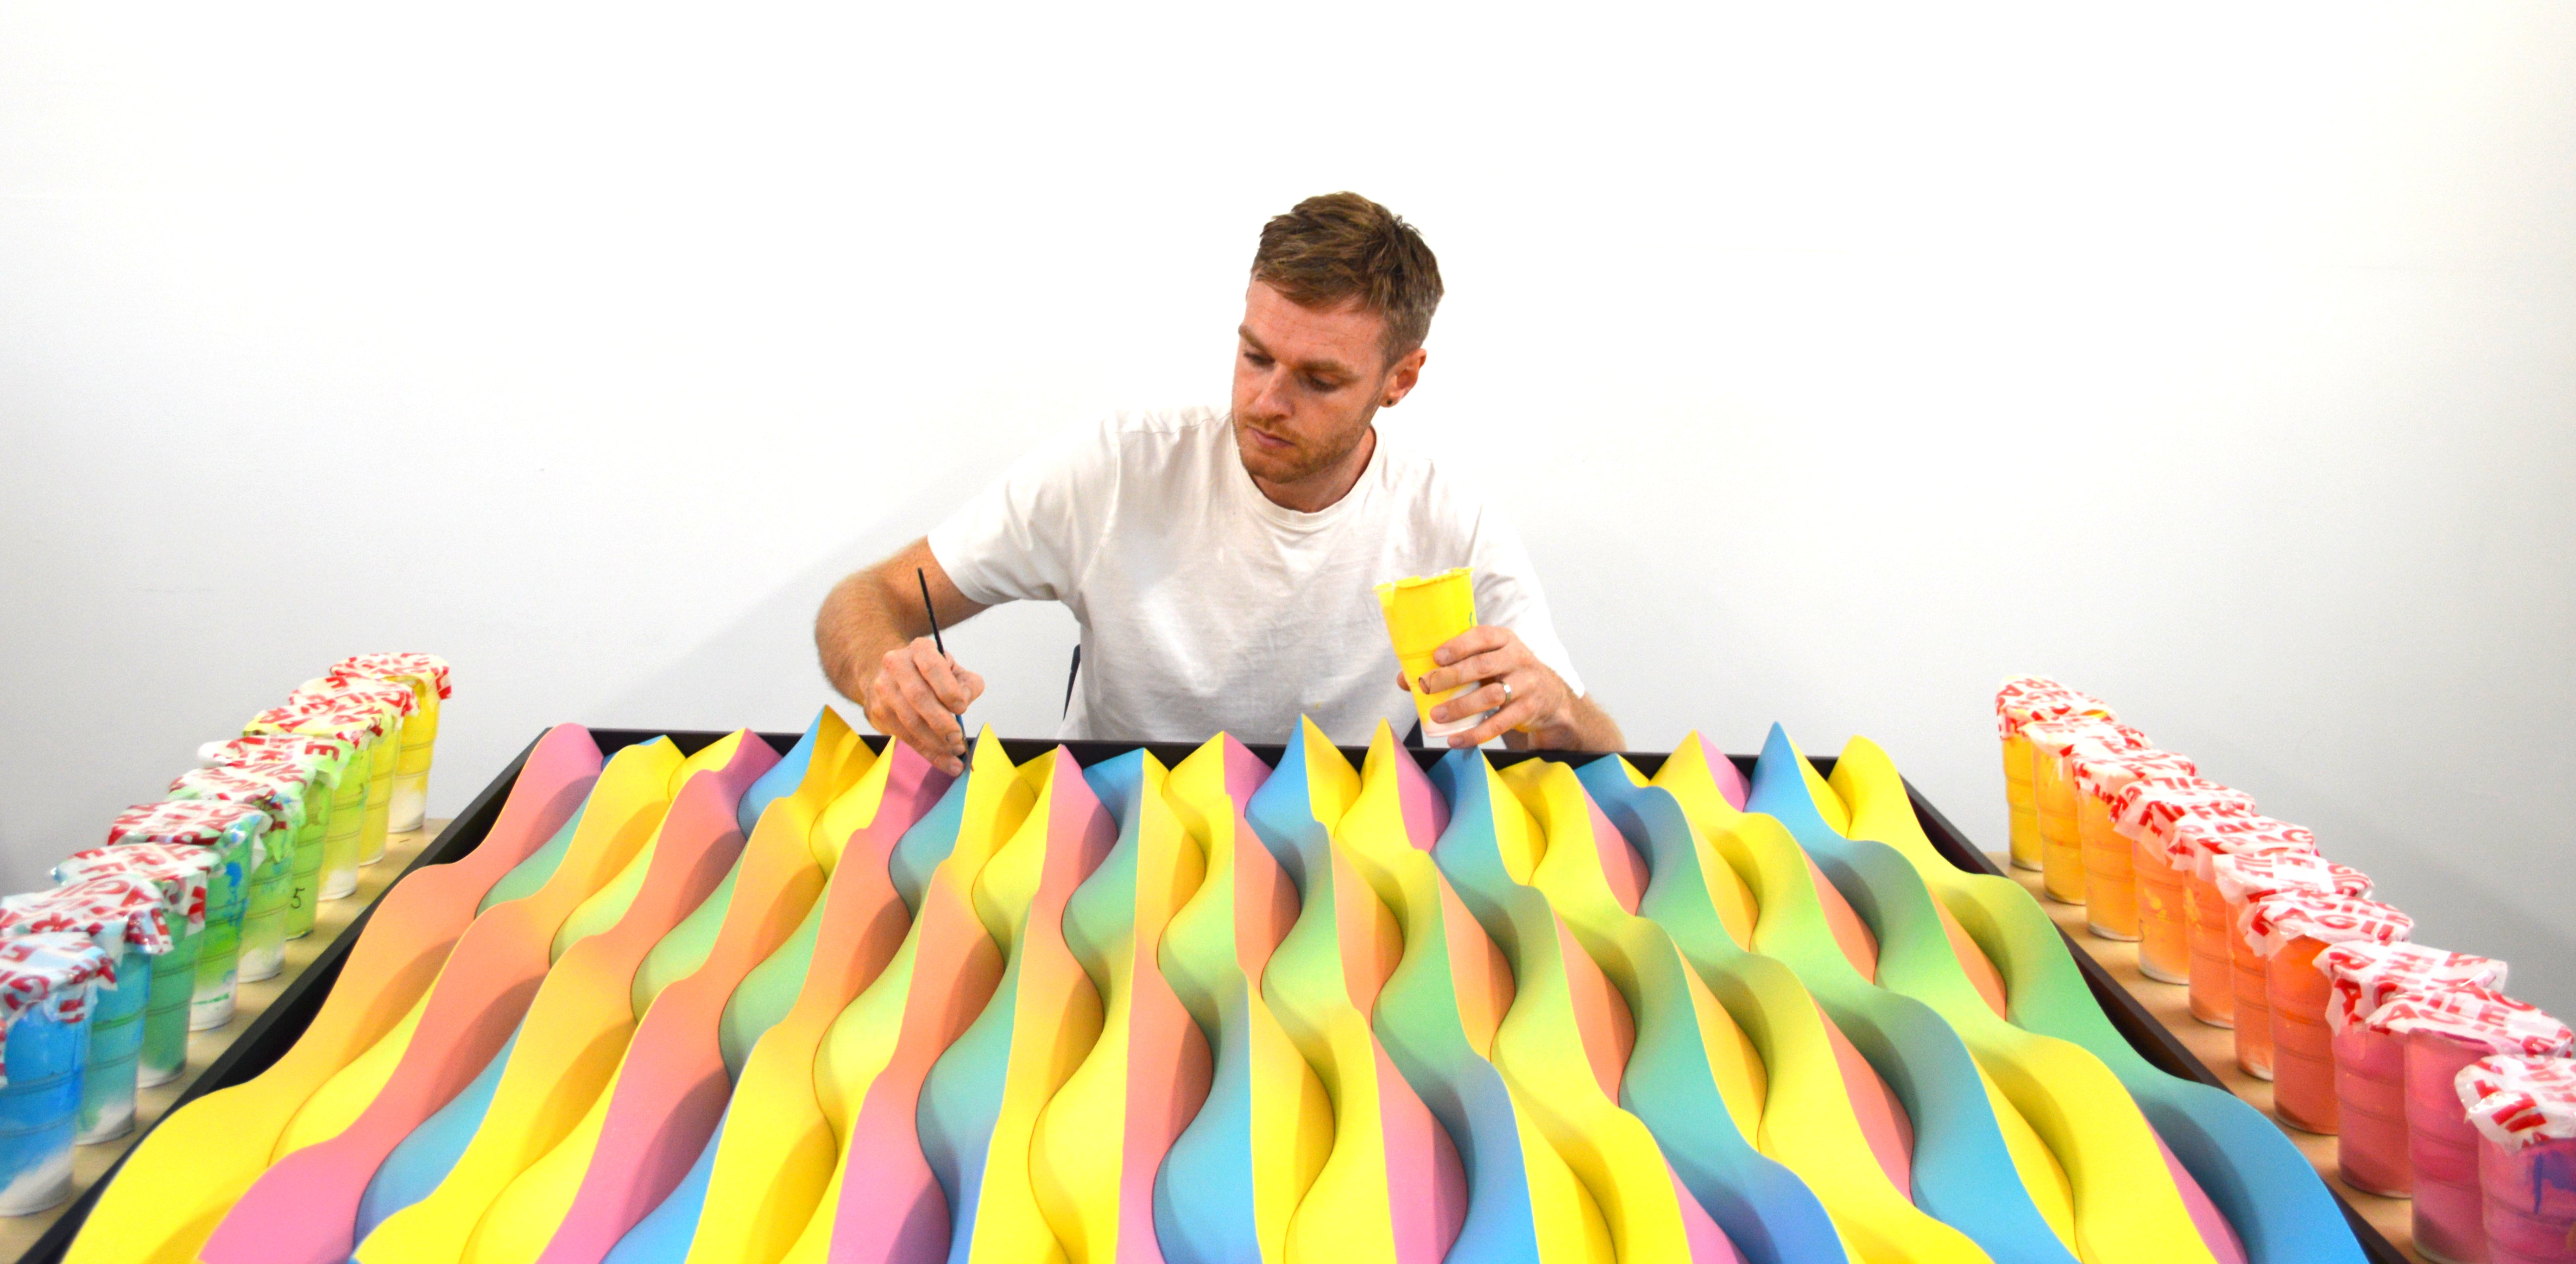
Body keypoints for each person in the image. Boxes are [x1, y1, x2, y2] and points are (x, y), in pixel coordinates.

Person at [816, 191, 1622, 775]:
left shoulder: (1448, 523)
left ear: (1400, 379)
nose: (1267, 402)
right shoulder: (1120, 466)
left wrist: (1551, 708)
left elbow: (1602, 763)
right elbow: (865, 600)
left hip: (1336, 842)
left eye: (1320, 379)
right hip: (1113, 824)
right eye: (1256, 355)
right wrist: (883, 669)